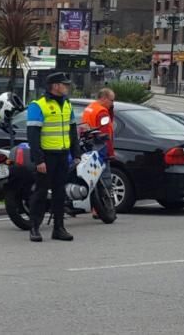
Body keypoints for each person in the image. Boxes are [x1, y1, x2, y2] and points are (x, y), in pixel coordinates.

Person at [27, 72, 82, 242]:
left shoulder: (67, 104)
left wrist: (76, 153)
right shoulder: (38, 106)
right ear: (55, 86)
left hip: (62, 155)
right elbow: (33, 136)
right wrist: (39, 160)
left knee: (60, 193)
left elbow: (72, 130)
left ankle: (58, 228)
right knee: (41, 193)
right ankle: (35, 228)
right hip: (47, 155)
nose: (66, 87)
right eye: (64, 84)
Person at [81, 88, 116, 217]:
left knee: (93, 178)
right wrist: (110, 153)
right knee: (104, 179)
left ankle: (94, 208)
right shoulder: (102, 112)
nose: (112, 104)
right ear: (104, 98)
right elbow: (105, 133)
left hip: (89, 145)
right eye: (111, 100)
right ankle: (104, 209)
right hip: (100, 147)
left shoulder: (90, 108)